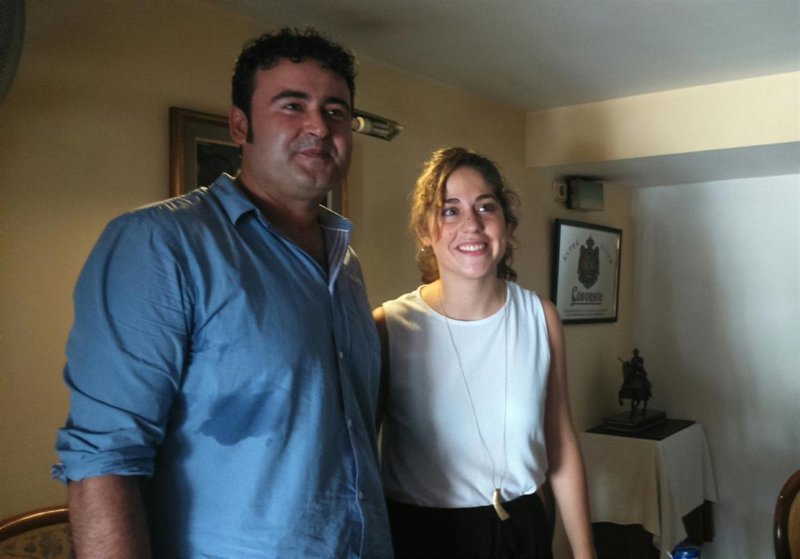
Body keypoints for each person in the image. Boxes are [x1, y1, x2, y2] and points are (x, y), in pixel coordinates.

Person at [53, 28, 392, 558]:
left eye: (335, 111)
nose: (318, 127)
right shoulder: (160, 244)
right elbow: (103, 461)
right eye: (292, 105)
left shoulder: (346, 264)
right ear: (239, 125)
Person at [374, 147, 595, 558]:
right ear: (424, 231)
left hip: (523, 530)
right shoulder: (389, 327)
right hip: (423, 537)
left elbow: (561, 445)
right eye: (450, 210)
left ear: (505, 225)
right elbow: (357, 462)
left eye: (485, 207)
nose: (472, 224)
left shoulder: (540, 317)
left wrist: (586, 554)